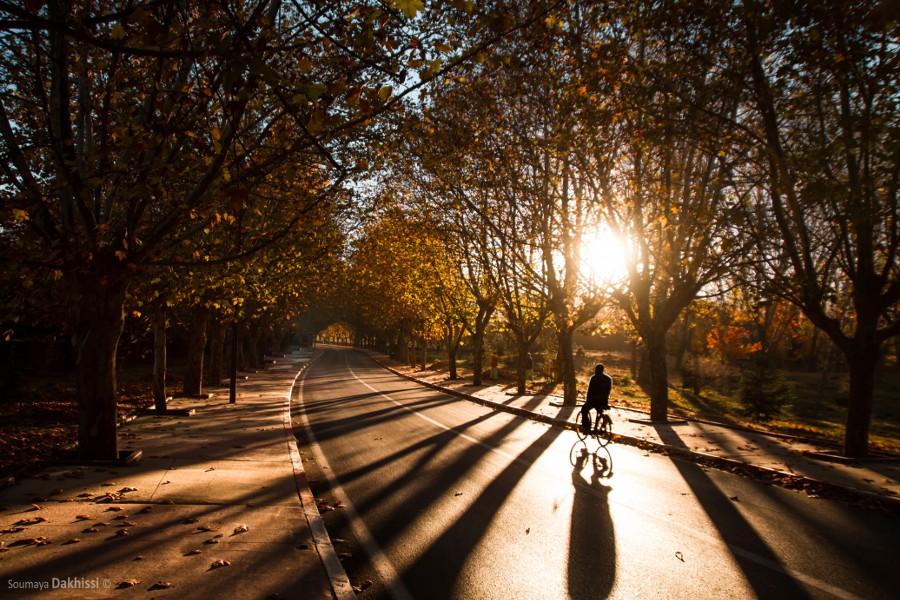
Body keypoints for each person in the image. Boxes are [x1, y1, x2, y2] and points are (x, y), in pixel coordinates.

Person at [581, 364, 612, 434]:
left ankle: (587, 427)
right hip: (604, 401)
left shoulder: (594, 378)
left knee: (584, 409)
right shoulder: (608, 379)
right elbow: (608, 390)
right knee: (600, 411)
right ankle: (603, 421)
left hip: (593, 401)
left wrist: (587, 400)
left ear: (596, 370)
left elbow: (590, 391)